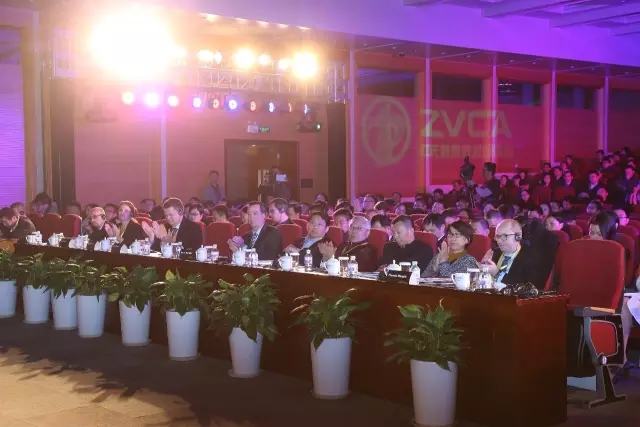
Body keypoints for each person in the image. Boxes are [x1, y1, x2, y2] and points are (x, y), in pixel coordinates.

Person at [480, 219, 544, 289]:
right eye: (497, 236)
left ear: (518, 236)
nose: (499, 241)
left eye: (504, 236)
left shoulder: (531, 257)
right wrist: (483, 271)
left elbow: (527, 288)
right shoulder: (494, 253)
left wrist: (497, 274)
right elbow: (483, 283)